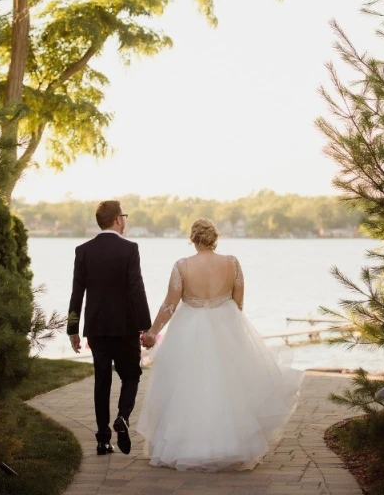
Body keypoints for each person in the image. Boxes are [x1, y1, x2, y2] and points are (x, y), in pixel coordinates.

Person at [137, 218, 304, 471]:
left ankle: (186, 447)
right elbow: (238, 304)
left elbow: (169, 305)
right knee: (228, 386)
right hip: (226, 327)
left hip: (188, 330)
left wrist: (152, 332)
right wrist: (230, 328)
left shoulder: (181, 266)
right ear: (215, 238)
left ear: (193, 239)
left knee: (188, 387)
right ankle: (232, 446)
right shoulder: (232, 263)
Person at [67, 200, 151, 456]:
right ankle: (122, 417)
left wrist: (72, 329)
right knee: (131, 376)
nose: (124, 221)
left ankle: (103, 439)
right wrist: (145, 327)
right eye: (123, 216)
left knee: (101, 381)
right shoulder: (129, 249)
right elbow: (136, 288)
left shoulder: (83, 250)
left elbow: (77, 292)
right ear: (117, 219)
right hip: (124, 327)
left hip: (96, 328)